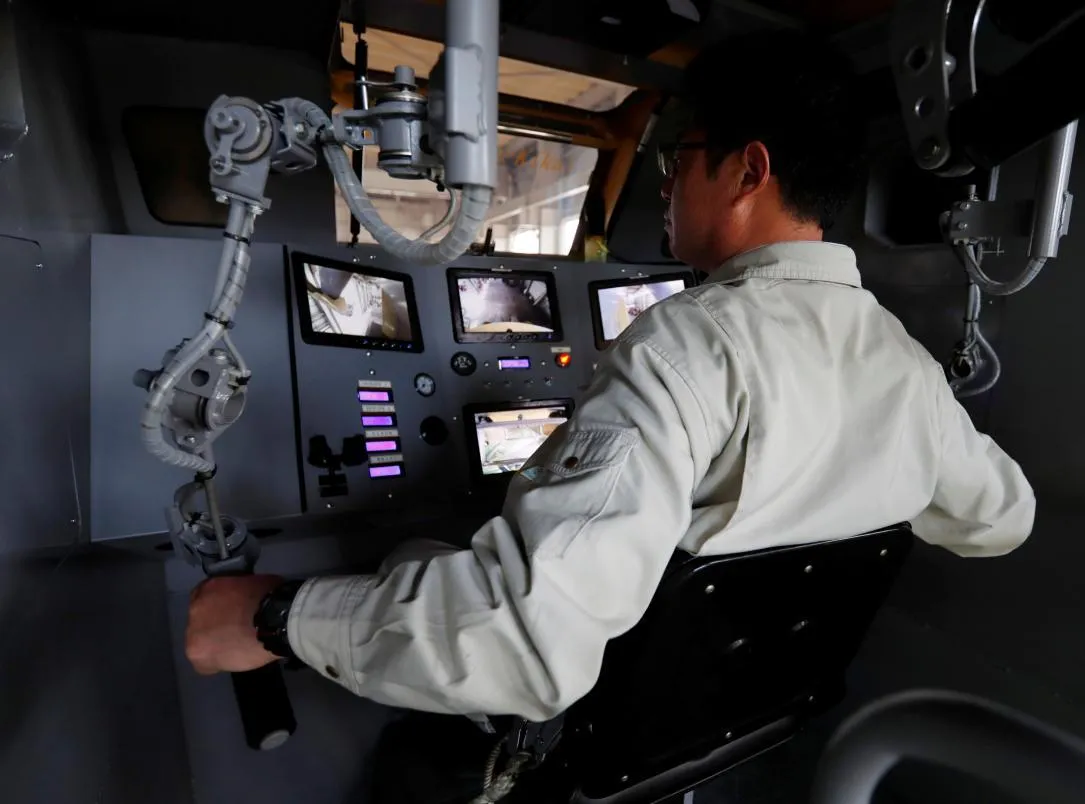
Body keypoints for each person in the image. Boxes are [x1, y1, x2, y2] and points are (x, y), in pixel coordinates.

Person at [185, 30, 1035, 800]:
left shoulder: (687, 347)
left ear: (748, 171)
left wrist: (279, 618)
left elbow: (524, 642)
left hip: (604, 736)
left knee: (411, 557)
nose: (665, 184)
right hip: (738, 724)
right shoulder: (903, 361)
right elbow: (1003, 518)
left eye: (678, 158)